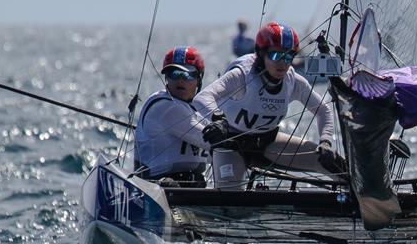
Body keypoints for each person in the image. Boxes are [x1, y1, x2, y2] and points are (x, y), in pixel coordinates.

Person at [194, 21, 345, 188]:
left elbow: (323, 110)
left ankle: (364, 202)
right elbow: (203, 97)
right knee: (231, 203)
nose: (282, 63)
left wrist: (325, 141)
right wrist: (218, 121)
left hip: (267, 142)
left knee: (330, 162)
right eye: (275, 56)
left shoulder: (293, 81)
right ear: (261, 53)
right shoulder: (242, 75)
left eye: (288, 56)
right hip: (230, 144)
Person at [134, 46, 214, 188]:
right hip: (155, 187)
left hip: (190, 185)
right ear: (166, 78)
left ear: (199, 79)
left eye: (188, 75)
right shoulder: (164, 106)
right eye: (174, 74)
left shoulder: (199, 108)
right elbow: (212, 141)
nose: (180, 81)